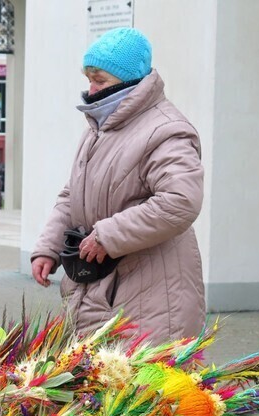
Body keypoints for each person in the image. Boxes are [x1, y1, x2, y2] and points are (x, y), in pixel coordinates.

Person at [30, 27, 205, 341]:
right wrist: (48, 248)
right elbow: (72, 196)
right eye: (89, 80)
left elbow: (180, 201)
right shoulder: (100, 128)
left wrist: (108, 235)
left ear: (131, 80)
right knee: (97, 384)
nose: (92, 90)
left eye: (101, 81)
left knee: (138, 388)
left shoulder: (166, 129)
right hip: (98, 288)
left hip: (149, 296)